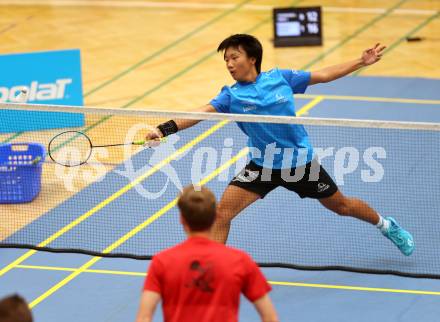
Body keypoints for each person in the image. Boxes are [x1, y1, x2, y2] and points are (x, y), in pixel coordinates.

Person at [146, 34, 414, 256]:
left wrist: (361, 61)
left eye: (234, 57)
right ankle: (214, 269)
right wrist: (164, 128)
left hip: (300, 164)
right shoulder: (231, 95)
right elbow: (200, 113)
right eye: (226, 59)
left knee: (342, 206)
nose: (229, 63)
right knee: (221, 215)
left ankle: (386, 225)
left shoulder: (281, 78)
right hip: (262, 165)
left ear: (252, 59)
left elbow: (322, 74)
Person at [135, 185, 278, 322]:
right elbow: (270, 317)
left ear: (182, 219)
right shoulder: (240, 261)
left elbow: (144, 318)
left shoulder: (162, 262)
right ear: (215, 216)